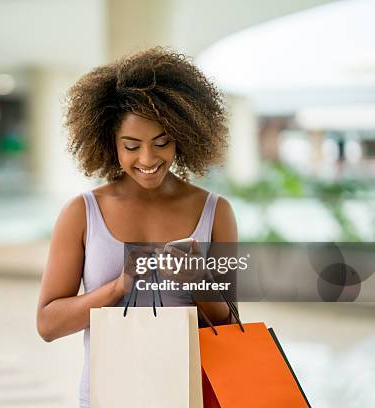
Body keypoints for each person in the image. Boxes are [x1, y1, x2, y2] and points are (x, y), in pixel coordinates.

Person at [36, 46, 237, 408]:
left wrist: (198, 283)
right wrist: (118, 286)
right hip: (111, 395)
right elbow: (49, 325)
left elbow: (230, 326)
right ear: (111, 144)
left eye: (162, 143)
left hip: (189, 394)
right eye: (132, 146)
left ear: (182, 136)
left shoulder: (215, 211)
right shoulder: (82, 213)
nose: (147, 160)